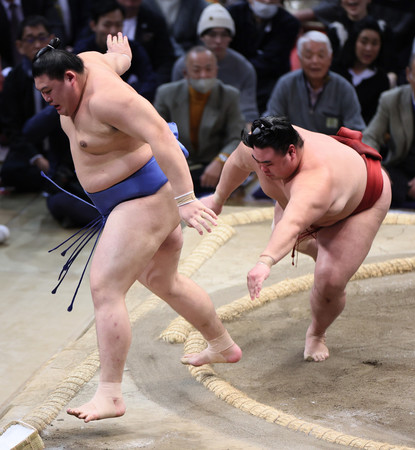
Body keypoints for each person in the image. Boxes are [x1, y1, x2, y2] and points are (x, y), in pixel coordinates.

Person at [32, 32, 242, 423]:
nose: (48, 101)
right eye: (41, 93)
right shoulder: (86, 62)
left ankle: (110, 394)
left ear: (71, 78)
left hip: (146, 194)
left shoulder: (110, 100)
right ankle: (221, 343)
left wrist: (186, 199)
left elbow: (161, 135)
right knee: (164, 281)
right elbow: (112, 61)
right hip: (121, 199)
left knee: (106, 286)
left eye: (50, 91)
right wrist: (120, 58)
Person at [202, 116, 391, 362]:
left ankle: (316, 334)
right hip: (301, 202)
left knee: (330, 281)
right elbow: (238, 163)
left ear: (291, 152)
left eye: (268, 163)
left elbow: (291, 224)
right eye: (259, 163)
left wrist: (264, 262)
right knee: (289, 239)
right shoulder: (260, 146)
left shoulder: (316, 180)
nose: (263, 170)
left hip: (361, 203)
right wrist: (218, 199)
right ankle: (323, 249)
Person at [154, 46, 244, 196]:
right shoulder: (166, 94)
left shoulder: (229, 95)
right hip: (177, 165)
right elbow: (157, 132)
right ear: (185, 73)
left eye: (209, 69)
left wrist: (220, 161)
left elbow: (236, 137)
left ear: (216, 70)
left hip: (214, 168)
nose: (204, 75)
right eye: (196, 70)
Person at [0, 15, 66, 192]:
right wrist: (36, 158)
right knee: (9, 173)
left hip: (62, 145)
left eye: (42, 38)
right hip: (31, 148)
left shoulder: (65, 71)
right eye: (30, 39)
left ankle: (56, 179)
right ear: (19, 46)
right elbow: (11, 128)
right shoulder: (14, 78)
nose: (37, 45)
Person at [171, 3, 258, 128]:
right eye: (212, 34)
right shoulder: (182, 65)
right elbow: (175, 109)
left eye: (224, 35)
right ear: (202, 37)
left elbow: (248, 114)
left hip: (231, 131)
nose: (218, 41)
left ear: (230, 38)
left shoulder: (244, 68)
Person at [265, 31, 365, 134]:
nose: (315, 61)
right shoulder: (286, 84)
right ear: (299, 58)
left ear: (330, 58)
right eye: (308, 56)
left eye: (321, 56)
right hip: (291, 147)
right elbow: (271, 123)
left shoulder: (344, 88)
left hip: (331, 148)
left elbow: (355, 131)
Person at [72, 0, 158, 102]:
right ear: (93, 25)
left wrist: (132, 99)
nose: (113, 31)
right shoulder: (82, 50)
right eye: (107, 25)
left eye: (118, 25)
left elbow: (149, 80)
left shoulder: (132, 48)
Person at [227, 0, 300, 114]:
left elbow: (271, 61)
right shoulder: (232, 14)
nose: (267, 1)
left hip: (268, 82)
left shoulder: (290, 23)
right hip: (233, 75)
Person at [363, 54, 415, 209]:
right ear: (408, 74)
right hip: (400, 167)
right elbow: (370, 136)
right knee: (380, 183)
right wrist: (375, 165)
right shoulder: (391, 99)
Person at [331, 16, 390, 125]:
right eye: (364, 42)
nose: (369, 48)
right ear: (354, 42)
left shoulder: (382, 79)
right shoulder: (336, 69)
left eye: (374, 43)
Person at [117, 0, 176, 85]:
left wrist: (154, 87)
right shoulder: (100, 15)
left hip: (145, 86)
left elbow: (165, 60)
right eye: (108, 25)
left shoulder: (154, 20)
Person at [141, 0, 208, 57]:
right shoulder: (143, 4)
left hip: (189, 60)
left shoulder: (197, 4)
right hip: (153, 62)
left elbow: (204, 37)